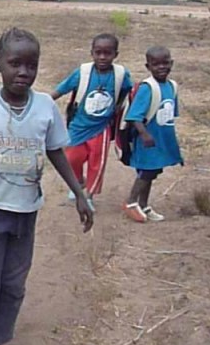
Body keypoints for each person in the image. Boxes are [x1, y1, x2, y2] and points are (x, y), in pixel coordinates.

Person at [0, 27, 94, 345]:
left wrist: (79, 193)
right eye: (15, 64)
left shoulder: (46, 107)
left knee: (14, 283)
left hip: (26, 211)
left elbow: (56, 152)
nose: (23, 72)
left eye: (31, 65)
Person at [50, 33, 132, 200]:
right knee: (71, 158)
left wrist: (118, 104)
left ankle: (89, 196)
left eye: (107, 53)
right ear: (92, 52)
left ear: (115, 54)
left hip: (102, 127)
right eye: (98, 52)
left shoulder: (120, 74)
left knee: (97, 163)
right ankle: (79, 181)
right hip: (79, 125)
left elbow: (127, 89)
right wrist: (42, 103)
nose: (102, 57)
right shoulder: (83, 73)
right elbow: (61, 90)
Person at [123, 46, 183, 223]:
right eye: (156, 64)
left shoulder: (172, 86)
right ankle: (131, 202)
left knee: (152, 172)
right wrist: (144, 134)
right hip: (148, 141)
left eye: (165, 63)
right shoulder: (147, 88)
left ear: (171, 63)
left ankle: (144, 205)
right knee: (147, 171)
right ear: (148, 66)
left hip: (162, 139)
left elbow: (170, 115)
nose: (161, 67)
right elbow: (134, 116)